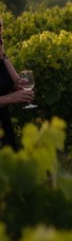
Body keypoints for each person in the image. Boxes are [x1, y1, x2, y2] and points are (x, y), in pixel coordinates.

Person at [0, 16, 37, 149]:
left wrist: (3, 56)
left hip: (4, 127)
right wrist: (11, 98)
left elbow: (16, 84)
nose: (0, 30)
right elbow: (11, 96)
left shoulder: (1, 55)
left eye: (1, 26)